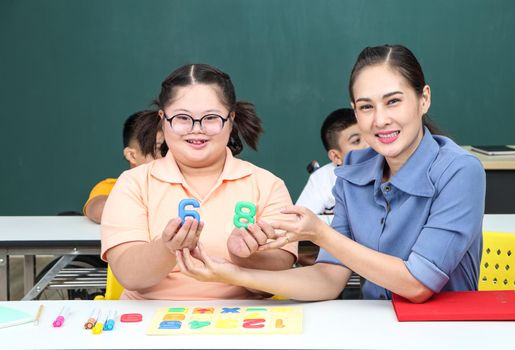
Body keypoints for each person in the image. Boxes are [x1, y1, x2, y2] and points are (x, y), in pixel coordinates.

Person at [175, 45, 486, 303]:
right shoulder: (353, 174)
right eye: (366, 107)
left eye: (393, 101)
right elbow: (328, 279)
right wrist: (229, 273)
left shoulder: (460, 171)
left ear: (424, 98)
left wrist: (321, 234)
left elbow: (418, 283)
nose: (380, 120)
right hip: (377, 329)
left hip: (446, 332)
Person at [100, 64, 297, 300]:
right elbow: (130, 276)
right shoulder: (133, 183)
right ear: (163, 119)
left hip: (240, 322)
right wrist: (167, 247)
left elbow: (277, 280)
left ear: (230, 119)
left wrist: (245, 256)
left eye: (211, 118)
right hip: (148, 324)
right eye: (183, 118)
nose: (197, 130)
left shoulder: (267, 185)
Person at [83, 111, 164, 224]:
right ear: (132, 155)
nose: (170, 156)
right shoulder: (113, 187)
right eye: (161, 149)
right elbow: (98, 211)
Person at [296, 108, 368, 215]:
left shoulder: (389, 164)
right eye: (356, 141)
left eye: (369, 135)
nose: (368, 145)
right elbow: (299, 221)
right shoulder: (322, 178)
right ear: (336, 157)